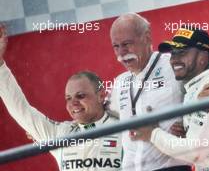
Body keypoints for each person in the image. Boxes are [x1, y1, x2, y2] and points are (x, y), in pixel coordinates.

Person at [108, 13, 209, 171]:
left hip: (171, 167)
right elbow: (109, 119)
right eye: (116, 46)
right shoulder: (120, 81)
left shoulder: (175, 66)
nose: (122, 52)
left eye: (127, 43)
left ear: (146, 37)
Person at [0, 25, 122, 171]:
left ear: (101, 95)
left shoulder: (125, 128)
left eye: (81, 96)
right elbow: (21, 110)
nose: (73, 104)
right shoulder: (60, 133)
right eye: (68, 98)